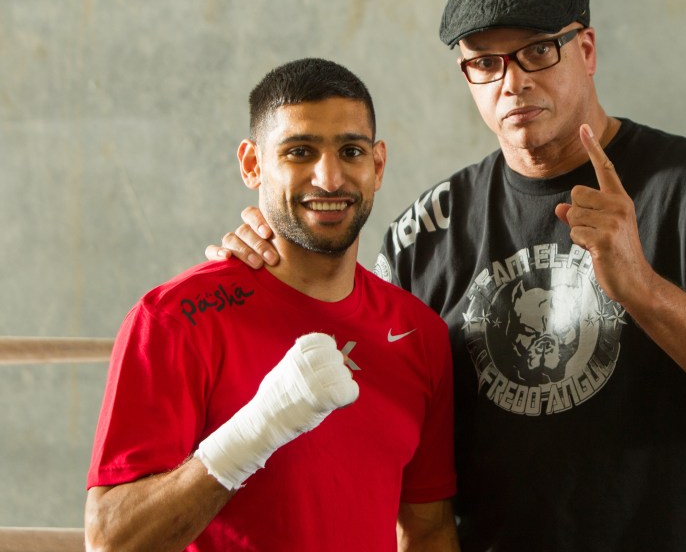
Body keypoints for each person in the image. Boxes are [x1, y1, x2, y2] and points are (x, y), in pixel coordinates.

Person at [209, 0, 686, 552]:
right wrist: (267, 266)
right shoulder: (428, 231)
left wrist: (643, 288)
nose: (513, 81)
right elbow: (344, 388)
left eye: (537, 51)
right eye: (485, 62)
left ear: (586, 51)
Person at [86, 58, 459, 551]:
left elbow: (427, 531)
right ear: (252, 164)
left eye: (351, 151)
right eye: (300, 152)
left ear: (378, 165)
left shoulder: (419, 333)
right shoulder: (176, 319)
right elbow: (112, 542)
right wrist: (257, 429)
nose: (329, 179)